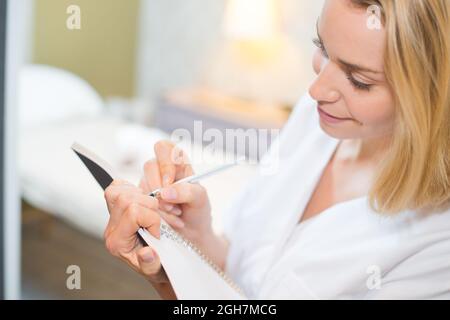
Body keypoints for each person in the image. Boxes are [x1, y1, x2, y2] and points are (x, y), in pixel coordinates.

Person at [103, 0, 450, 299]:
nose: (316, 90)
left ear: (429, 93)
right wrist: (193, 236)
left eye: (359, 81)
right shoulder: (312, 119)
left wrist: (169, 290)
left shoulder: (437, 243)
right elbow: (240, 273)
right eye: (323, 49)